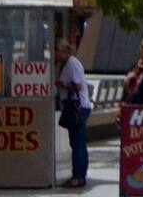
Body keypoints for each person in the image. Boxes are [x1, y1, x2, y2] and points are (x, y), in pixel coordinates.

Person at [54, 42, 92, 188]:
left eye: (57, 51)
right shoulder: (59, 65)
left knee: (77, 141)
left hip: (78, 106)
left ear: (64, 51)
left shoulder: (72, 63)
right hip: (69, 105)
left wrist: (61, 84)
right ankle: (80, 172)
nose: (55, 54)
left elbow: (78, 85)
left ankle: (79, 175)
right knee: (76, 140)